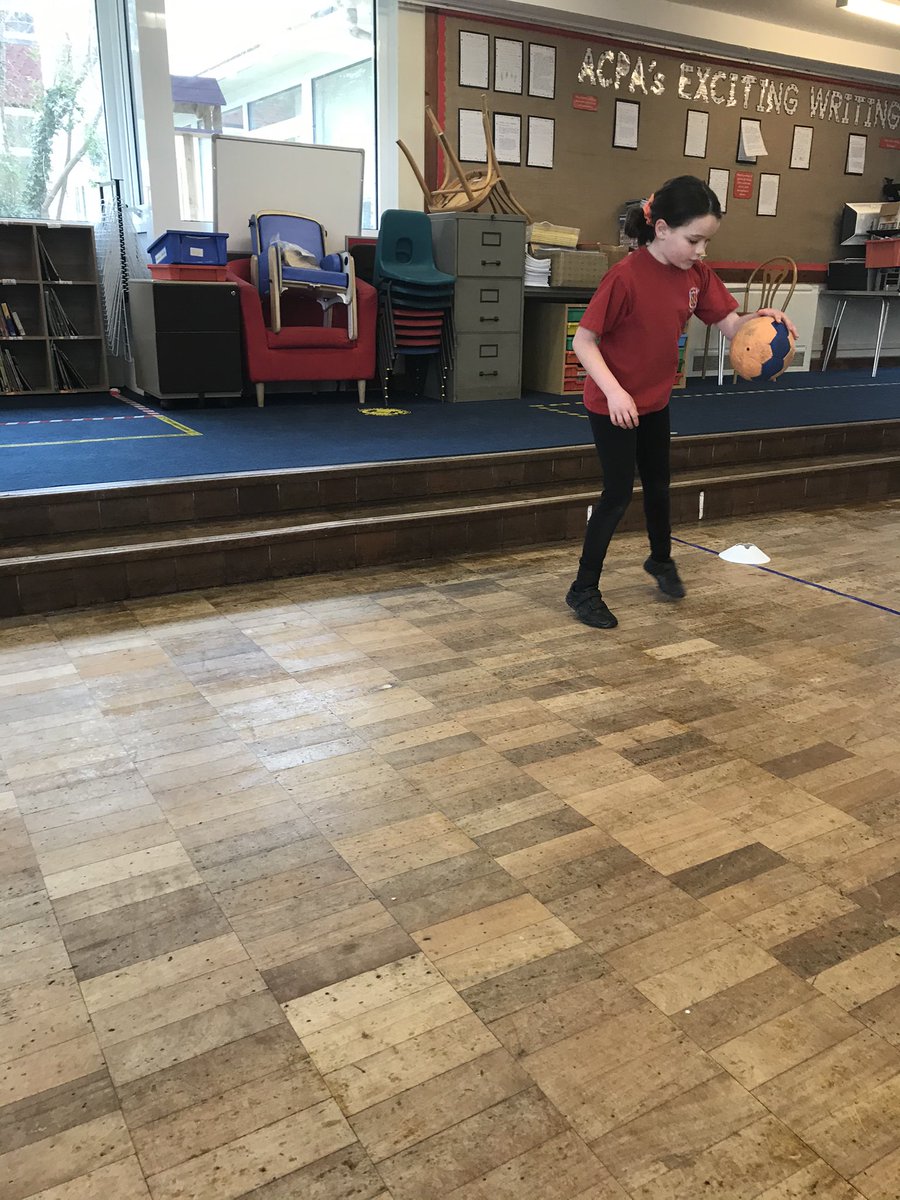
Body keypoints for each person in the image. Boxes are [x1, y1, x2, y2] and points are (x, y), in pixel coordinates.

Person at [566, 175, 798, 629]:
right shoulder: (625, 277)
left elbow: (729, 324)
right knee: (616, 495)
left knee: (658, 485)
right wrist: (614, 391)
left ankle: (660, 560)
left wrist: (760, 320)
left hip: (654, 400)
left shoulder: (696, 275)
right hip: (614, 403)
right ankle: (583, 589)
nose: (701, 251)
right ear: (663, 228)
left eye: (707, 242)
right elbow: (584, 341)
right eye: (694, 240)